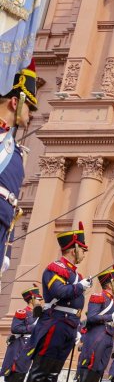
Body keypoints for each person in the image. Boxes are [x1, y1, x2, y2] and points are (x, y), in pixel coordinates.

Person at [19, 222, 92, 382]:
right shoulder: (55, 268)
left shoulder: (75, 274)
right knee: (41, 369)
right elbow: (60, 292)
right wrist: (79, 286)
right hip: (55, 323)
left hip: (68, 325)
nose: (84, 253)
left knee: (54, 371)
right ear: (73, 249)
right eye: (82, 250)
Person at [0, 60, 38, 277]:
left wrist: (8, 244)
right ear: (16, 102)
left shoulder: (15, 149)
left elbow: (12, 203)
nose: (30, 114)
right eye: (30, 107)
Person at [74, 264, 114, 382]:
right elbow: (92, 317)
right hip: (97, 336)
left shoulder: (112, 301)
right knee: (90, 368)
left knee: (98, 370)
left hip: (107, 335)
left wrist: (113, 322)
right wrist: (110, 317)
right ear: (109, 283)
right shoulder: (98, 297)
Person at [0, 285, 41, 382]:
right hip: (20, 345)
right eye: (38, 299)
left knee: (21, 374)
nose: (40, 301)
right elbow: (16, 328)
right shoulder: (22, 312)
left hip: (29, 347)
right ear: (31, 299)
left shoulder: (38, 314)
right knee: (16, 373)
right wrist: (33, 328)